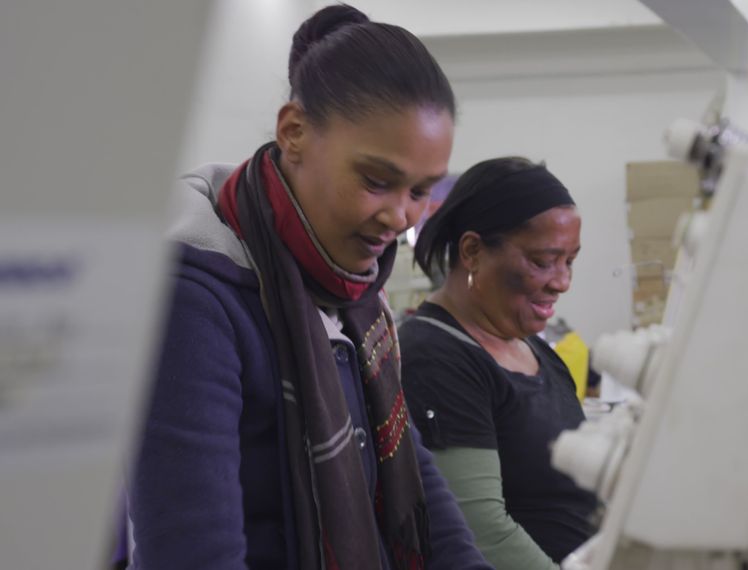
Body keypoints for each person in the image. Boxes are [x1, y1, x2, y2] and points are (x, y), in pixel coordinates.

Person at [125, 6, 493, 570]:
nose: (400, 216)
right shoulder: (195, 302)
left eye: (420, 190)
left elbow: (411, 469)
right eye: (376, 181)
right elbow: (193, 552)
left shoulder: (355, 290)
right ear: (293, 132)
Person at [400, 157, 598, 569]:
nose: (562, 281)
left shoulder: (534, 350)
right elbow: (482, 533)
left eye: (570, 261)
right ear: (472, 250)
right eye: (543, 261)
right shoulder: (435, 358)